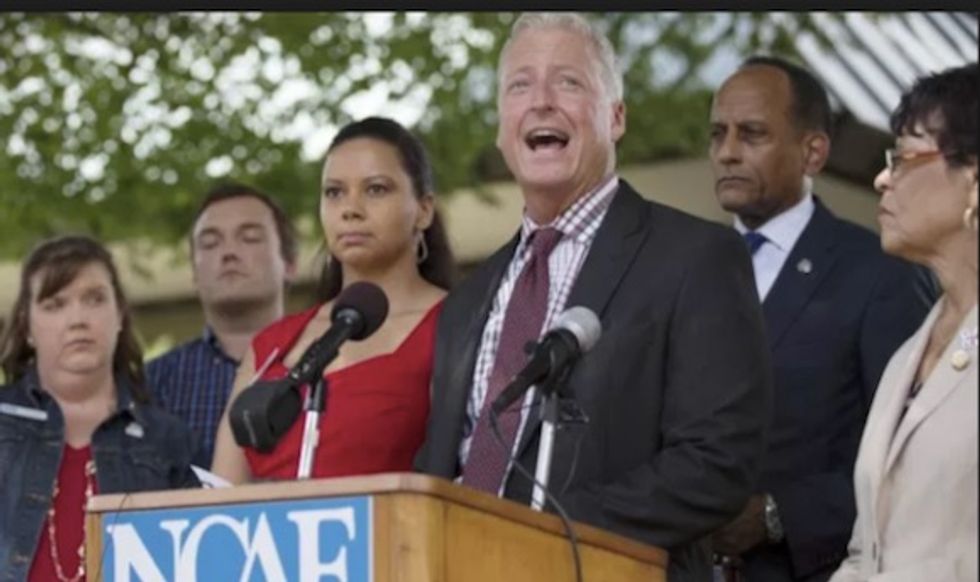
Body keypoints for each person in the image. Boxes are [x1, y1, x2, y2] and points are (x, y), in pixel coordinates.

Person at [414, 12, 773, 581]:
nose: (541, 101)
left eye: (568, 81)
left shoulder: (695, 259)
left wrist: (534, 531)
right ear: (502, 126)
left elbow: (716, 466)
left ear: (616, 116)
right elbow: (446, 461)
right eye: (520, 85)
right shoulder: (466, 301)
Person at [707, 56, 937, 582]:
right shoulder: (687, 264)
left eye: (753, 134)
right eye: (718, 133)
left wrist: (775, 517)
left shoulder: (881, 273)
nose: (727, 152)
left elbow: (911, 458)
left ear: (813, 151)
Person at [211, 116, 455, 483]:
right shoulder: (271, 346)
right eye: (334, 192)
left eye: (375, 189)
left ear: (423, 209)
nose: (350, 209)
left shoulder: (457, 323)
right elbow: (221, 497)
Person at [829, 63, 978, 582]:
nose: (882, 177)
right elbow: (865, 553)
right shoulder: (908, 354)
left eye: (905, 157)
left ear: (974, 178)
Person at [0, 235, 200, 581]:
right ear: (26, 327)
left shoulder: (166, 438)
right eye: (55, 304)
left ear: (120, 313)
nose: (77, 319)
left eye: (94, 299)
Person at [146, 182, 298, 468]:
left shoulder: (332, 365)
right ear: (193, 271)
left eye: (249, 238)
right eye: (210, 243)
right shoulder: (151, 386)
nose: (229, 253)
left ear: (290, 263)